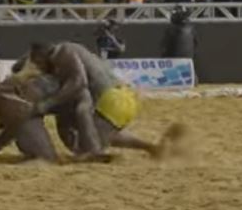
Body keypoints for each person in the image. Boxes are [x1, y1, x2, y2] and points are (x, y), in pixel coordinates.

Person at [27, 42, 183, 159]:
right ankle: (152, 148)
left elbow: (79, 82)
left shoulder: (62, 53)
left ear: (42, 56)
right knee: (104, 134)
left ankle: (169, 144)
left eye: (39, 63)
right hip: (124, 96)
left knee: (87, 148)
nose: (40, 68)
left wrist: (46, 104)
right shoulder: (73, 50)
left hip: (112, 100)